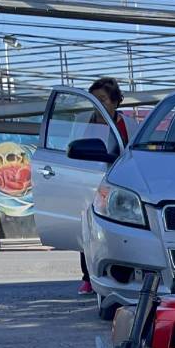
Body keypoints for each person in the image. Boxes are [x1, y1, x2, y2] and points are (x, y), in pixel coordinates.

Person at [80, 77, 130, 295]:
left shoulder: (129, 124)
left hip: (120, 187)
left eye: (102, 99)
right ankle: (88, 277)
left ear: (115, 101)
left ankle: (122, 276)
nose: (98, 104)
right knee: (88, 230)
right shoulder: (85, 124)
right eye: (93, 100)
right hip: (90, 184)